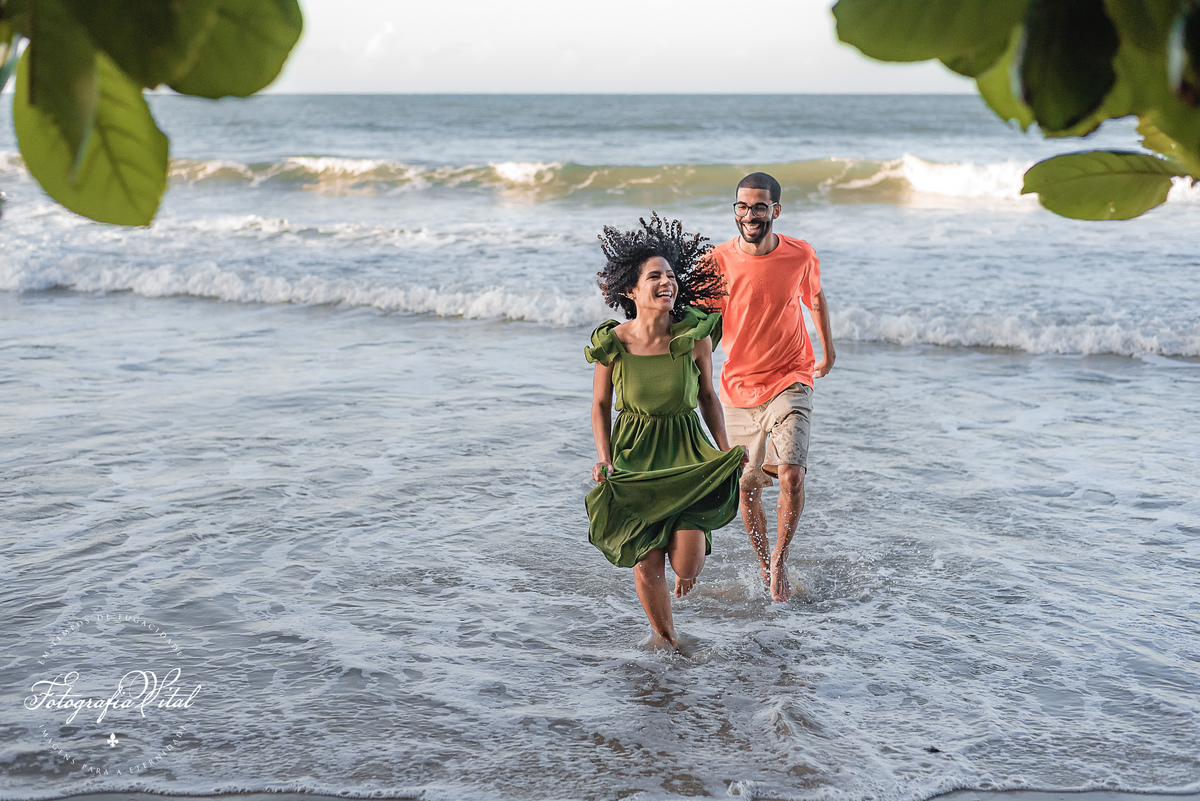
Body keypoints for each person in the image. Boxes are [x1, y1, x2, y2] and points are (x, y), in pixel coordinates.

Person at [585, 214, 746, 651]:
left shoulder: (693, 335)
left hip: (686, 451)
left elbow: (709, 397)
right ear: (631, 290)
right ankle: (668, 641)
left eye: (670, 275)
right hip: (635, 453)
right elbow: (600, 405)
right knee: (646, 560)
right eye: (654, 276)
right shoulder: (612, 343)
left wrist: (726, 449)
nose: (667, 282)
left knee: (688, 563)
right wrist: (604, 456)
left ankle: (683, 581)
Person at [710, 172, 835, 603]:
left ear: (775, 212)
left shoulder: (800, 254)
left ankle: (780, 560)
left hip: (791, 377)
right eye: (742, 207)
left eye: (759, 207)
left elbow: (814, 298)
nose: (750, 215)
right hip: (738, 388)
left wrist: (828, 351)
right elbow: (703, 328)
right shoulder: (717, 262)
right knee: (746, 489)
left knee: (792, 474)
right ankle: (763, 564)